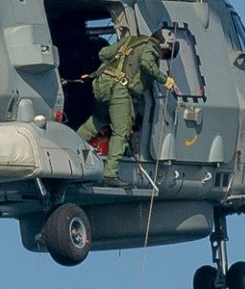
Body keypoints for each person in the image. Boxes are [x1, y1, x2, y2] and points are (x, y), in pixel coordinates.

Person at [75, 27, 177, 188]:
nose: (163, 57)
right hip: (118, 89)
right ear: (165, 45)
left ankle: (70, 151)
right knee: (121, 131)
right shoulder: (151, 48)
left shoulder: (130, 41)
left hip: (102, 85)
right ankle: (110, 175)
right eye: (165, 54)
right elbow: (146, 64)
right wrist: (165, 80)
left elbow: (103, 54)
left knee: (97, 121)